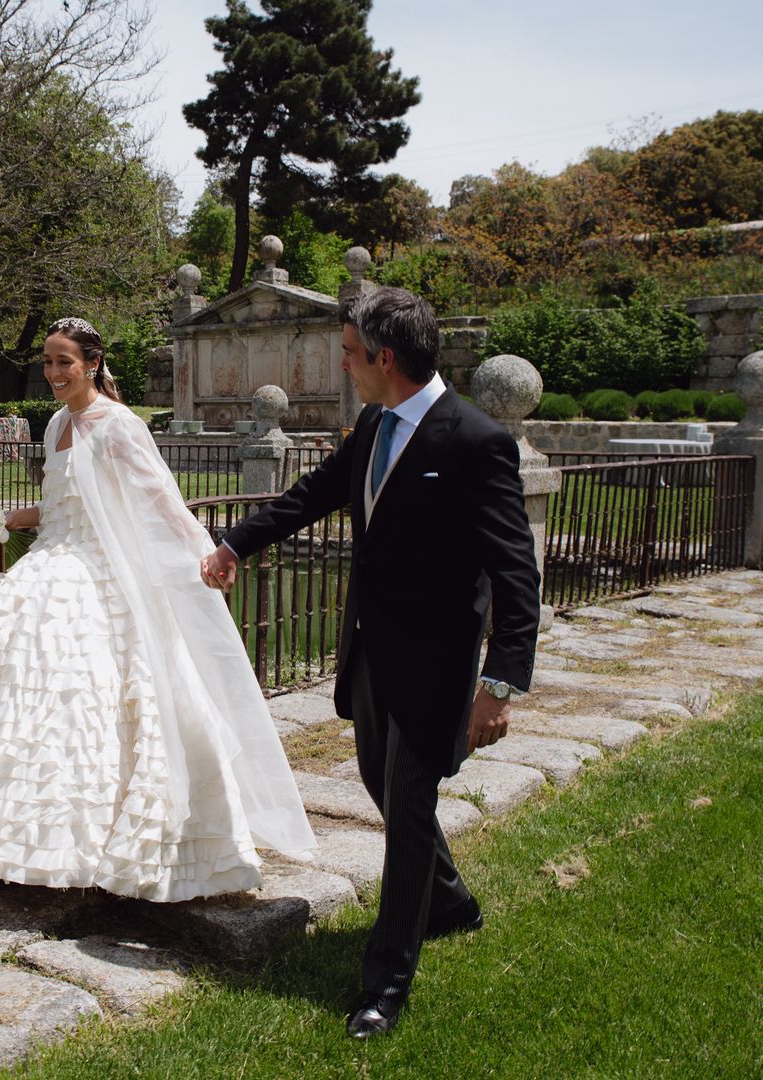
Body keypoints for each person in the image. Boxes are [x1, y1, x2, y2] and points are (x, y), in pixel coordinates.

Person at [0, 317, 315, 901]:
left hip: (99, 575)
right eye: (48, 363)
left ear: (92, 364)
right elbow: (60, 502)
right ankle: (7, 841)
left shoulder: (117, 425)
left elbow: (161, 499)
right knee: (15, 700)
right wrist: (3, 518)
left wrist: (209, 553)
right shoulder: (56, 422)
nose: (55, 373)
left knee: (97, 701)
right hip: (45, 567)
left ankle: (116, 843)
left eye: (65, 362)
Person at [201, 287, 541, 1037]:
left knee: (409, 811)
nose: (344, 364)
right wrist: (234, 545)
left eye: (350, 353)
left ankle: (384, 985)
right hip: (369, 655)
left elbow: (516, 574)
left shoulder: (474, 440)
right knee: (382, 788)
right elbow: (318, 491)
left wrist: (500, 682)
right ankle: (450, 903)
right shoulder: (373, 421)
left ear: (385, 358)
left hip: (437, 665)